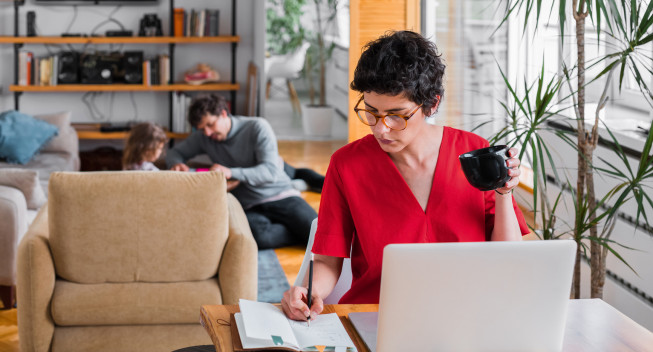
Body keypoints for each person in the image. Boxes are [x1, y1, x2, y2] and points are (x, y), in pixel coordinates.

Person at [281, 31, 530, 322]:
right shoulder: (346, 165)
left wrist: (504, 193)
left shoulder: (475, 153)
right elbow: (327, 259)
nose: (380, 129)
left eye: (396, 115)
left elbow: (509, 258)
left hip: (466, 318)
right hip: (377, 318)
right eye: (371, 112)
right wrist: (308, 291)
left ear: (432, 104)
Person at [165, 94, 318, 249]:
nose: (207, 133)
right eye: (202, 129)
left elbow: (270, 172)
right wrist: (177, 163)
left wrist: (231, 173)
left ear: (224, 114)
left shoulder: (257, 127)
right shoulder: (204, 137)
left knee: (318, 235)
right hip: (249, 204)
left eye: (210, 125)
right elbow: (173, 153)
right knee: (259, 238)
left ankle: (304, 226)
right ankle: (300, 234)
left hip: (280, 194)